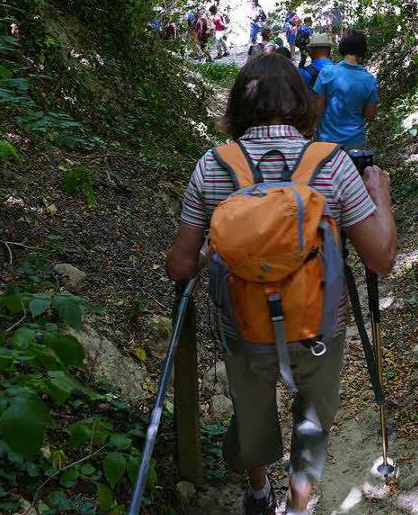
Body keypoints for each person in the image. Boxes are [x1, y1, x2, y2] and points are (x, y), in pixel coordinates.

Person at [166, 53, 396, 515]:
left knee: (252, 418)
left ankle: (257, 491)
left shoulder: (212, 167)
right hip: (320, 326)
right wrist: (381, 194)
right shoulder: (331, 165)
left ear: (239, 106)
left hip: (243, 325)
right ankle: (297, 504)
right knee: (313, 419)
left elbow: (180, 266)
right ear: (301, 102)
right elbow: (381, 257)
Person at [313, 30, 379, 148]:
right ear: (363, 50)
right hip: (355, 141)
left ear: (342, 48)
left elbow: (318, 108)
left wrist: (311, 130)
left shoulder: (327, 73)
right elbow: (370, 115)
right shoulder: (369, 80)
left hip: (327, 141)